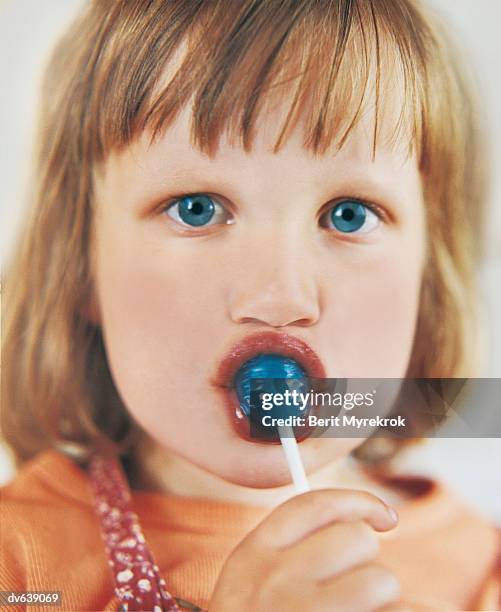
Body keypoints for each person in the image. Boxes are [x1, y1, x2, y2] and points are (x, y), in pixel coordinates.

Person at [1, 1, 500, 610]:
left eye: (349, 215)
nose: (281, 297)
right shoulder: (21, 567)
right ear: (80, 266)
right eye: (197, 208)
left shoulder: (482, 573)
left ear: (428, 277)